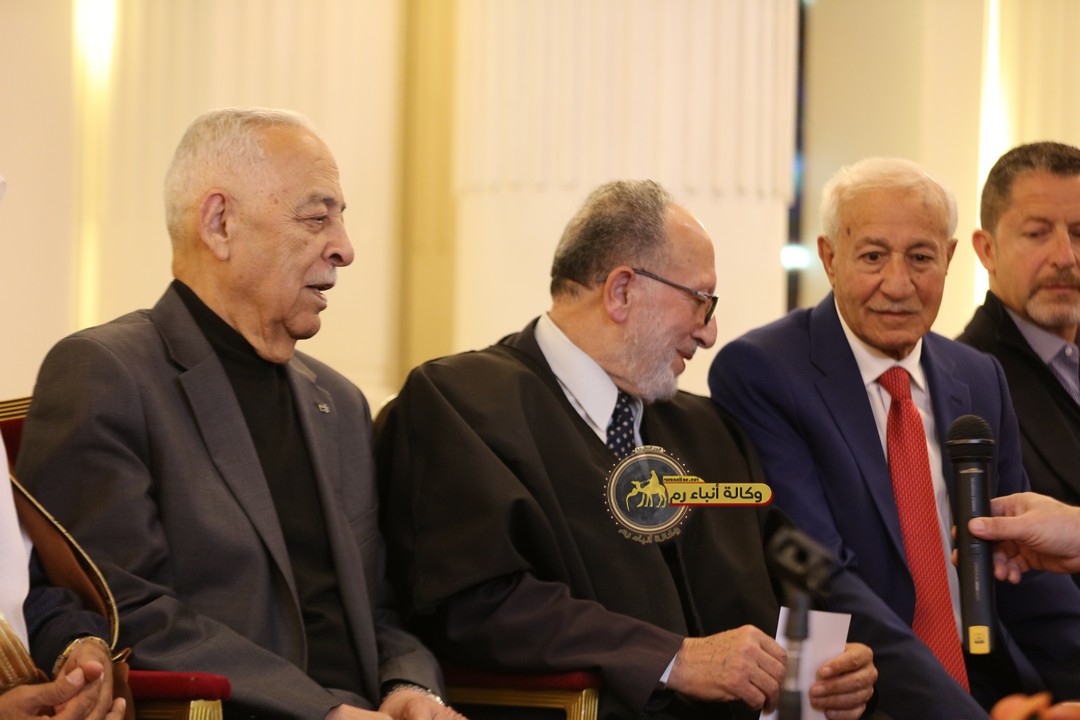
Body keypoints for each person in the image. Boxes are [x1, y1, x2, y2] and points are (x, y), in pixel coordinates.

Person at [375, 178, 1005, 719]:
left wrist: (833, 660)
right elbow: (476, 603)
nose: (709, 332)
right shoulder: (462, 403)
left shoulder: (705, 431)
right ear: (622, 291)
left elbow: (795, 565)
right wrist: (672, 659)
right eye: (701, 301)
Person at [15, 108, 463, 720]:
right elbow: (125, 610)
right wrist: (324, 713)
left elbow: (380, 609)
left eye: (341, 218)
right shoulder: (107, 373)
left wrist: (409, 689)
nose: (345, 248)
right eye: (317, 218)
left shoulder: (339, 402)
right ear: (220, 223)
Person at [710, 157, 1080, 711]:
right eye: (873, 256)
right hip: (864, 693)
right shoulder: (764, 372)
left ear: (950, 258)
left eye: (921, 257)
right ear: (829, 258)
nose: (899, 284)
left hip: (994, 679)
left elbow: (1022, 567)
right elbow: (819, 574)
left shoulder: (978, 377)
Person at [957, 141, 1080, 586]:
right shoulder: (963, 386)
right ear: (987, 250)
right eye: (1037, 233)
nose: (1065, 256)